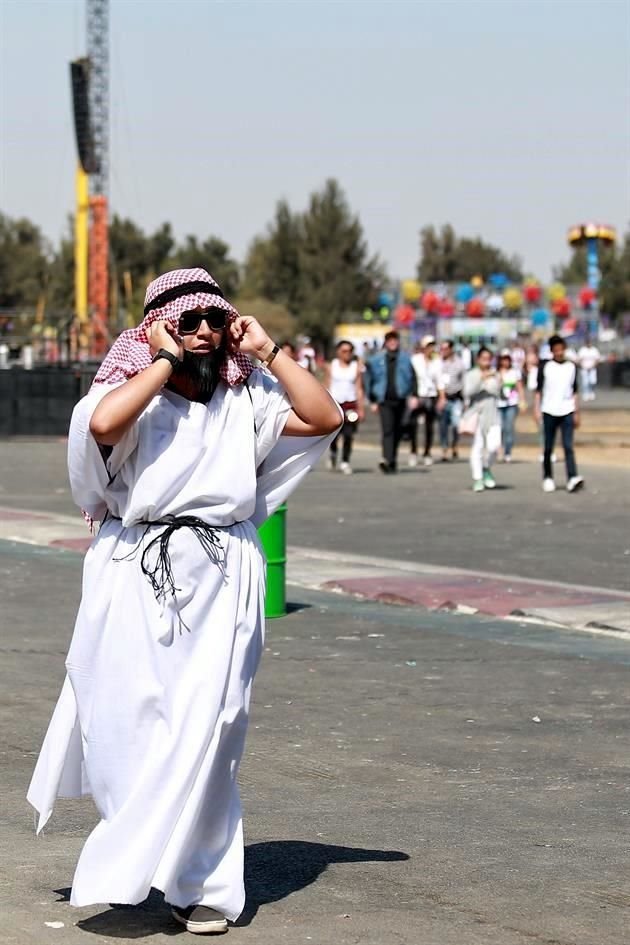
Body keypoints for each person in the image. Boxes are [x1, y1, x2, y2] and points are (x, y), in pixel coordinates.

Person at [27, 268, 341, 935]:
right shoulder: (130, 394)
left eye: (214, 321)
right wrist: (161, 357)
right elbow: (103, 425)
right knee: (132, 730)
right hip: (137, 575)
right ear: (157, 327)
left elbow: (325, 416)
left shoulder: (245, 393)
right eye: (187, 321)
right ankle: (138, 861)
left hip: (225, 574)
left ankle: (203, 887)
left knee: (215, 726)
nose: (204, 333)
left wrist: (269, 352)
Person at [535, 334, 584, 493]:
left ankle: (572, 477)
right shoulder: (545, 367)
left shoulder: (571, 367)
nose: (559, 353)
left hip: (567, 410)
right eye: (556, 350)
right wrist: (536, 409)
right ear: (551, 351)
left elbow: (574, 391)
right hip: (549, 410)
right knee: (548, 447)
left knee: (568, 446)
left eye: (561, 349)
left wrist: (577, 412)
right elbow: (538, 391)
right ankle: (548, 476)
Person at [364, 330, 417, 473]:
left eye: (395, 340)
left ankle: (393, 459)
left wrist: (414, 395)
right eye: (390, 341)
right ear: (386, 343)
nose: (393, 343)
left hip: (400, 398)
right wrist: (372, 400)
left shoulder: (405, 359)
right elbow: (369, 380)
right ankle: (386, 459)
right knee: (387, 430)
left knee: (398, 430)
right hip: (384, 400)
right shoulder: (376, 360)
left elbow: (413, 378)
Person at [462, 347, 502, 493]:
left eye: (488, 358)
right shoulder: (472, 374)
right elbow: (467, 392)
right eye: (483, 358)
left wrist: (498, 381)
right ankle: (478, 477)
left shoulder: (495, 374)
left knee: (494, 446)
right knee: (478, 446)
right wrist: (482, 380)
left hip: (493, 415)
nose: (486, 361)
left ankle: (486, 467)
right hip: (477, 414)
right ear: (478, 359)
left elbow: (499, 392)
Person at [325, 339, 365, 474]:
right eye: (344, 351)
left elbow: (359, 388)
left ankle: (345, 461)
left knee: (349, 434)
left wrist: (361, 408)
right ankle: (333, 453)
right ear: (338, 352)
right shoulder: (332, 366)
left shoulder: (356, 367)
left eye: (349, 351)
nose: (346, 354)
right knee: (334, 434)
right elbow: (327, 385)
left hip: (350, 403)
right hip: (335, 404)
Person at [409, 336, 443, 466]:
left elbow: (440, 381)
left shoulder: (437, 361)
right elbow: (411, 378)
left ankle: (427, 452)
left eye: (432, 346)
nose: (431, 348)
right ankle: (413, 452)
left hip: (431, 395)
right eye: (428, 346)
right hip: (417, 394)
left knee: (429, 426)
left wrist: (442, 397)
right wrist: (412, 395)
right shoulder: (415, 360)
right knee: (413, 425)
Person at [437, 339, 464, 461]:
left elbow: (464, 382)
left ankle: (455, 445)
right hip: (443, 398)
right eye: (442, 348)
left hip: (456, 398)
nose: (444, 351)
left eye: (446, 348)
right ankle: (444, 449)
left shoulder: (459, 363)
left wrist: (466, 400)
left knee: (456, 424)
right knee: (443, 425)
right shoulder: (438, 363)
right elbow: (438, 381)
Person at [497, 350, 526, 462]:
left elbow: (519, 387)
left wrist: (522, 400)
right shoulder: (496, 372)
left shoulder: (515, 372)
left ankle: (507, 452)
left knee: (509, 427)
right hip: (499, 404)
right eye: (503, 359)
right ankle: (499, 450)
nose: (505, 361)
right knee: (500, 428)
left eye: (507, 359)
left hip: (511, 403)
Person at [577, 337, 601, 402]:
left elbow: (597, 359)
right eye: (587, 342)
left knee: (593, 381)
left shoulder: (594, 350)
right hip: (584, 369)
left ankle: (591, 392)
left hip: (592, 369)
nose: (588, 344)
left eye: (589, 342)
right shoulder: (582, 350)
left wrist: (592, 366)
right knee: (585, 382)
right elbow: (579, 360)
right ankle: (585, 394)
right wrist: (583, 366)